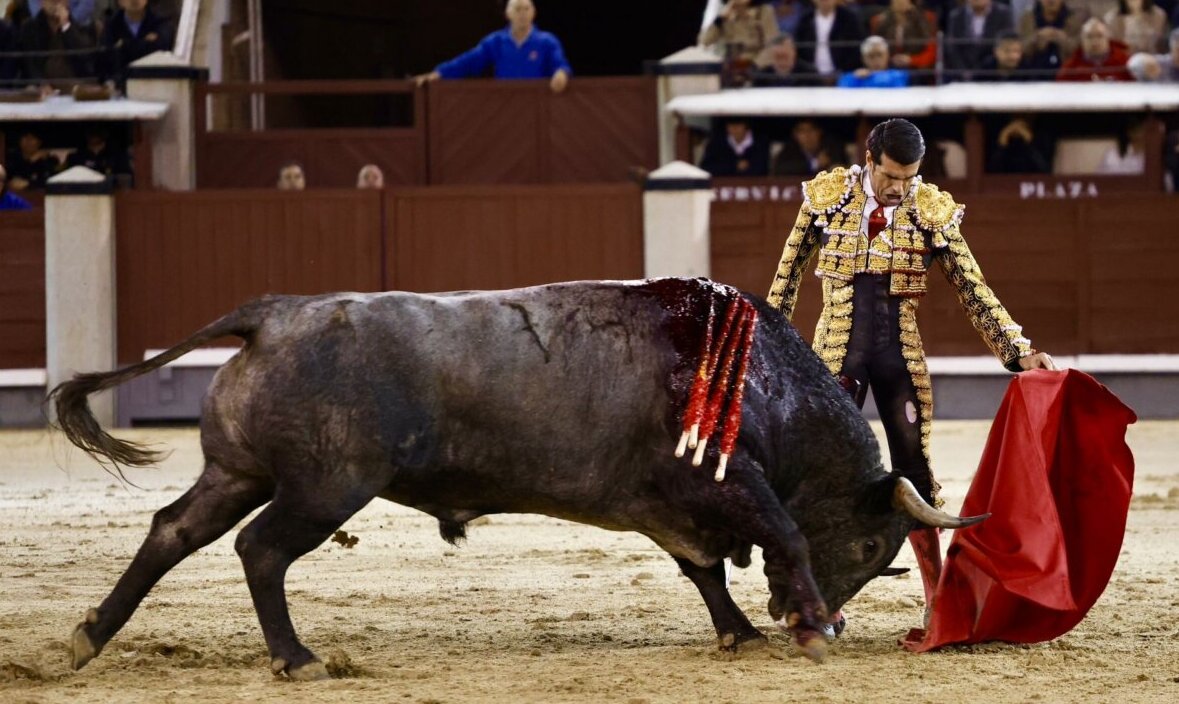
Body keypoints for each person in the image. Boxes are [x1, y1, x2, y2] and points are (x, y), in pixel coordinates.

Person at [766, 118, 1057, 628]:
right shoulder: (827, 197)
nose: (900, 188)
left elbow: (971, 285)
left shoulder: (929, 208)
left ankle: (937, 598)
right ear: (870, 159)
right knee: (824, 478)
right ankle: (823, 601)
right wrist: (764, 349)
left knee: (915, 472)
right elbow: (785, 279)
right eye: (891, 177)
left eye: (909, 178)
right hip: (834, 360)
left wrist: (1019, 349)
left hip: (900, 357)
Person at [415, 0, 571, 94]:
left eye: (526, 8)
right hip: (504, 105)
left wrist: (561, 74)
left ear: (534, 12)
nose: (523, 13)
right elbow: (468, 61)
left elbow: (560, 63)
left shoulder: (547, 41)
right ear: (508, 14)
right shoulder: (495, 41)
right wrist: (439, 73)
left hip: (537, 106)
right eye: (517, 9)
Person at [17, 0, 99, 88]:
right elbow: (30, 66)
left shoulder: (84, 27)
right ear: (41, 2)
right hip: (43, 92)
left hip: (78, 90)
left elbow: (85, 60)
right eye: (51, 1)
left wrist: (66, 26)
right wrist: (40, 84)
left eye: (59, 1)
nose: (55, 3)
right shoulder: (29, 28)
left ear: (67, 2)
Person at [101, 0, 175, 86]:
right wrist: (145, 43)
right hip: (122, 83)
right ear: (119, 2)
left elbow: (162, 48)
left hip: (155, 81)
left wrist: (124, 45)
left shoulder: (160, 21)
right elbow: (106, 58)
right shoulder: (112, 25)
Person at [699, 0, 781, 74]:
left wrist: (755, 66)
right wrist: (719, 20)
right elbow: (704, 41)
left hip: (756, 67)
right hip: (730, 67)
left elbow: (772, 45)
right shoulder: (725, 12)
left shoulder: (764, 11)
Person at [794, 0, 868, 82]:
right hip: (811, 79)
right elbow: (799, 50)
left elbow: (858, 47)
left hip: (844, 77)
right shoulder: (805, 20)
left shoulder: (850, 19)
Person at [944, 0, 1017, 80]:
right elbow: (952, 49)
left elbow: (1006, 44)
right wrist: (964, 72)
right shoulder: (956, 16)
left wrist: (984, 71)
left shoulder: (1004, 14)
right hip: (962, 75)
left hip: (993, 75)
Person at [870, 0, 939, 78]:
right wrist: (888, 60)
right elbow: (873, 50)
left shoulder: (927, 19)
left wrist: (911, 60)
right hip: (888, 72)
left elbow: (931, 53)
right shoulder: (879, 21)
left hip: (918, 72)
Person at [1057, 17, 1134, 79]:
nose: (1095, 42)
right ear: (1082, 40)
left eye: (1100, 36)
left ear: (1107, 37)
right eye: (1089, 37)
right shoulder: (1070, 68)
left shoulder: (1126, 63)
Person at [1019, 0, 1084, 74]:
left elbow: (1080, 49)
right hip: (1033, 70)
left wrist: (1062, 40)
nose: (1051, 1)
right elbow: (1020, 48)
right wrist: (1037, 38)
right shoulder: (1027, 18)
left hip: (1066, 71)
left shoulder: (1074, 19)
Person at [771, 118, 848, 176]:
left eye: (811, 130)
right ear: (795, 135)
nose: (807, 135)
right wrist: (815, 164)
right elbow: (781, 169)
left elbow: (841, 167)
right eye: (802, 131)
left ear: (819, 132)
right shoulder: (789, 150)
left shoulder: (831, 148)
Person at [698, 117, 770, 177]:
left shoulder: (760, 142)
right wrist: (734, 166)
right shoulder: (717, 143)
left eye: (738, 124)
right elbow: (706, 168)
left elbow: (762, 169)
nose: (734, 128)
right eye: (731, 125)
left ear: (746, 125)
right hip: (723, 188)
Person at [837, 35, 912, 86]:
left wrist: (870, 77)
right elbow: (842, 84)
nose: (876, 60)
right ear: (863, 59)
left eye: (879, 55)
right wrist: (855, 78)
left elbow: (897, 82)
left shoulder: (898, 76)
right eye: (871, 56)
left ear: (887, 56)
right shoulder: (855, 77)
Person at [65, 127, 132, 181]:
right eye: (91, 133)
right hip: (82, 192)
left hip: (110, 192)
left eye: (98, 134)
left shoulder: (117, 157)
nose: (94, 137)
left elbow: (125, 176)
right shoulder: (76, 157)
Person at [750, 34, 820, 86]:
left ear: (794, 53)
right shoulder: (762, 77)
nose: (782, 62)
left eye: (785, 56)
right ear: (771, 56)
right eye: (778, 57)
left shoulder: (810, 75)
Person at [1104, 0, 1169, 53]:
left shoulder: (1158, 15)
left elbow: (1161, 44)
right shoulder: (1111, 18)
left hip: (1153, 58)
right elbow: (1115, 47)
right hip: (1125, 60)